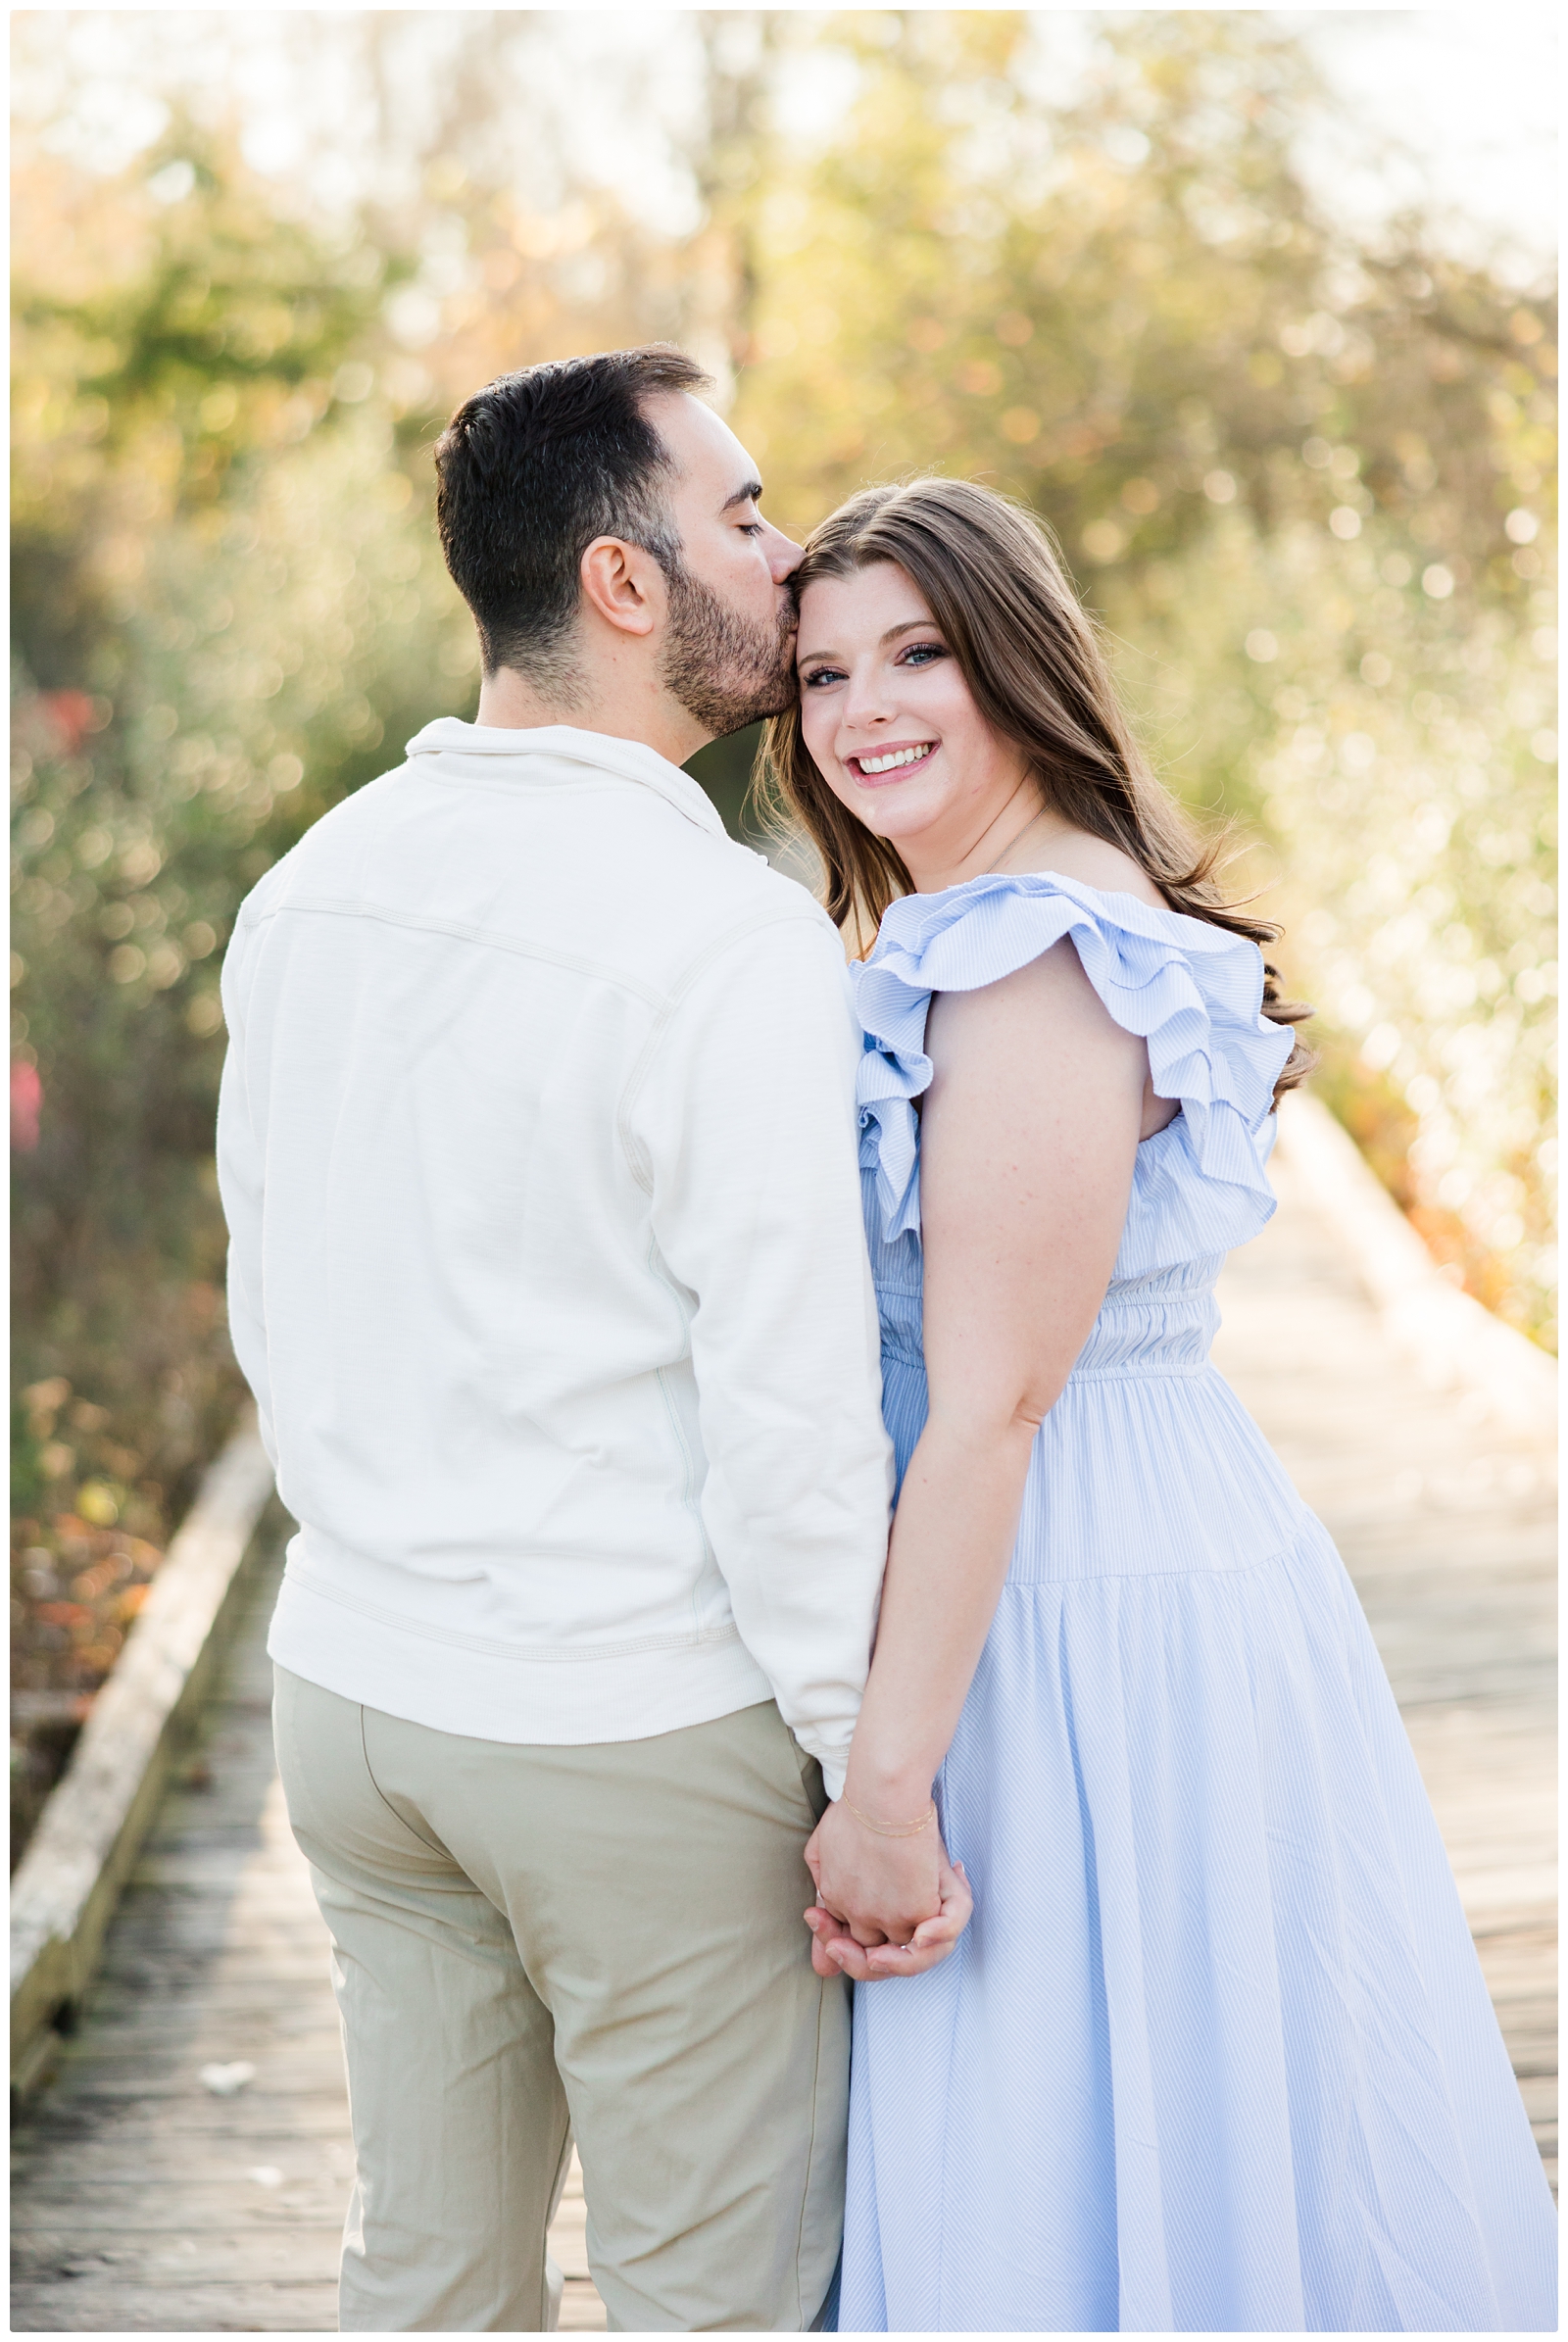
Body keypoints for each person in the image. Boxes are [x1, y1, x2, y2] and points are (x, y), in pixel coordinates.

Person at [216, 348, 965, 2334]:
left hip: (358, 1703)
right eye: (739, 515)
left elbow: (268, 1304)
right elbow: (785, 1408)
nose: (786, 552)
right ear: (625, 586)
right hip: (625, 1723)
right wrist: (857, 1768)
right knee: (706, 2294)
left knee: (428, 2278)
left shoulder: (308, 892)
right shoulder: (719, 937)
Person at [776, 476, 1557, 2333]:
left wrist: (886, 1792)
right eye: (819, 675)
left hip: (1070, 1601)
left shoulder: (1038, 951)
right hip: (1080, 1573)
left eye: (918, 654)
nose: (862, 710)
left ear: (1022, 663)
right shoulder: (999, 919)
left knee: (1062, 2133)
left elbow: (996, 1402)